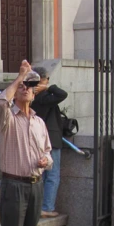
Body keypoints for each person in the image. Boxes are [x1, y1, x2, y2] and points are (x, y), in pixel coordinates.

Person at [0, 60, 53, 226]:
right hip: (14, 185)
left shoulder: (39, 122)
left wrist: (45, 160)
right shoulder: (8, 118)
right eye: (22, 87)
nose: (26, 89)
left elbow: (48, 153)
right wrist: (20, 77)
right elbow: (2, 101)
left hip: (35, 184)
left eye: (29, 87)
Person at [31, 66, 68, 218]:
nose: (48, 82)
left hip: (39, 138)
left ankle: (40, 206)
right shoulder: (44, 96)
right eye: (47, 79)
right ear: (42, 80)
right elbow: (62, 94)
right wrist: (48, 87)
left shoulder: (32, 96)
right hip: (51, 139)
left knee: (44, 176)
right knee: (52, 175)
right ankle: (47, 207)